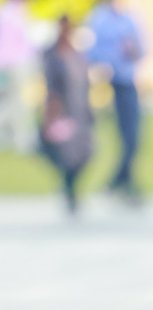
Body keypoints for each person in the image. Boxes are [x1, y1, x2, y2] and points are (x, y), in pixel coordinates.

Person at [85, 0, 147, 202]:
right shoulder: (98, 19)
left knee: (133, 138)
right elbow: (92, 53)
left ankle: (123, 181)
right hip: (110, 82)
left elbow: (142, 49)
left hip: (128, 81)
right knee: (126, 137)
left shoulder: (129, 18)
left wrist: (132, 50)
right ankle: (119, 182)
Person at [38, 15, 93, 215]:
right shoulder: (52, 55)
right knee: (67, 155)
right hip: (63, 110)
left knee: (86, 153)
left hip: (80, 110)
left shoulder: (77, 54)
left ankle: (69, 185)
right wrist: (51, 114)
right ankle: (69, 189)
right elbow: (52, 87)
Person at [0, 0, 35, 154]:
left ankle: (13, 138)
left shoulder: (11, 14)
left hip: (10, 64)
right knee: (14, 103)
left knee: (10, 101)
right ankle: (19, 139)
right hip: (14, 65)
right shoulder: (12, 15)